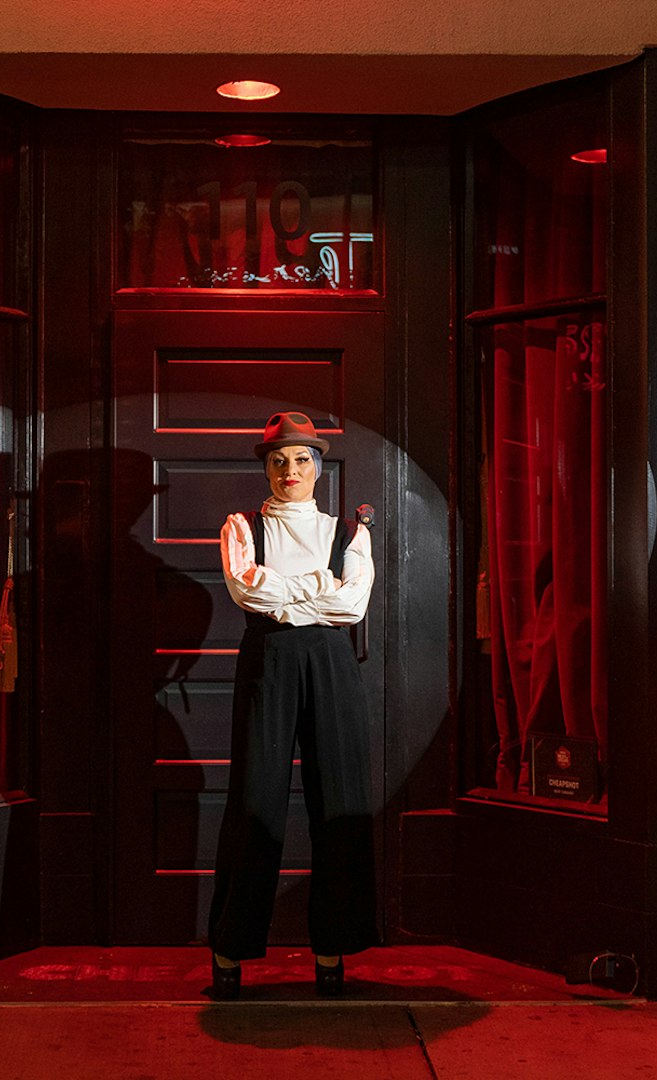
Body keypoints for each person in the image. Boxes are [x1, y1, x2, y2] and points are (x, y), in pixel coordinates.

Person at [207, 411, 379, 999]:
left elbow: (352, 607)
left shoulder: (349, 532)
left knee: (340, 804)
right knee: (256, 803)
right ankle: (229, 954)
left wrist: (287, 594)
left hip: (331, 666)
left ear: (318, 466)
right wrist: (315, 591)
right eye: (279, 460)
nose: (290, 470)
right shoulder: (241, 526)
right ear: (267, 468)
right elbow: (247, 589)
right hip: (270, 665)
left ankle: (332, 954)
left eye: (301, 459)